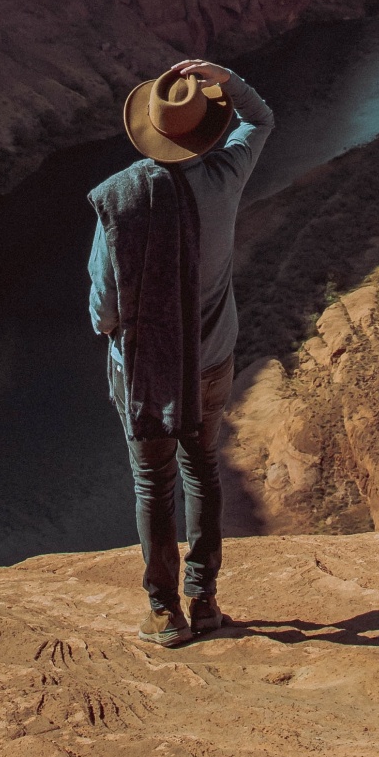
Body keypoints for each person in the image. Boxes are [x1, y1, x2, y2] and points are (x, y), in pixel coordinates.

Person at [88, 55, 273, 648]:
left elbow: (105, 309)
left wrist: (118, 333)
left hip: (143, 371)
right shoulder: (226, 177)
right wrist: (227, 81)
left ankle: (164, 613)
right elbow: (262, 120)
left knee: (153, 484)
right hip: (212, 362)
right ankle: (207, 599)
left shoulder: (120, 200)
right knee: (202, 468)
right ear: (204, 130)